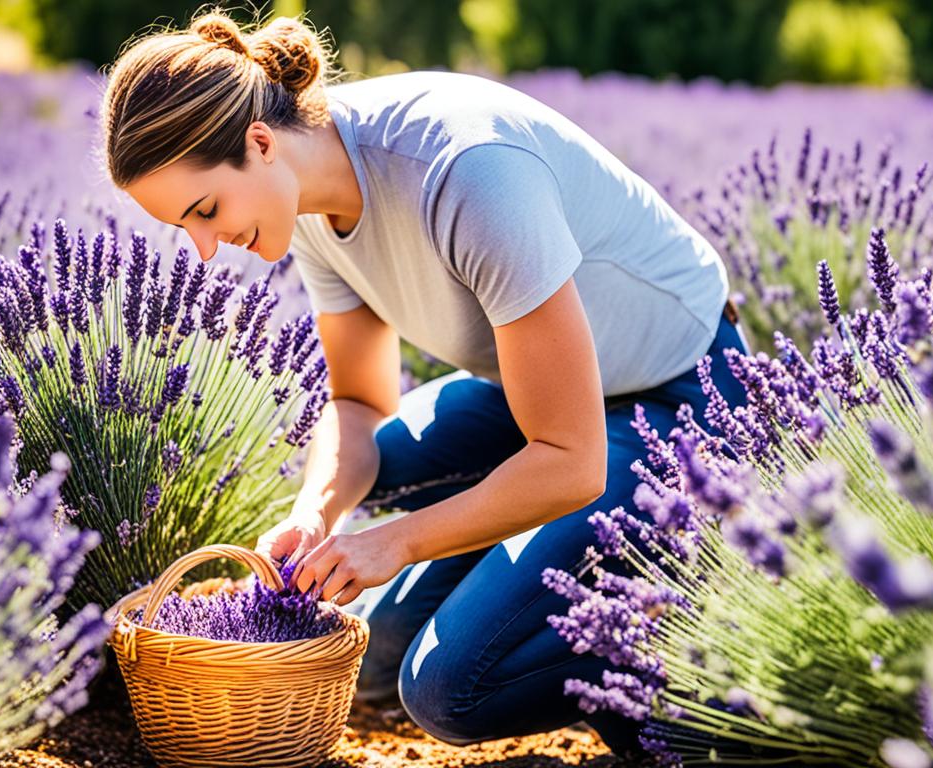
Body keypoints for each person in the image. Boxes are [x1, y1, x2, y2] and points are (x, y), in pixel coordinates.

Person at [101, 8, 750, 757]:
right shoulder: (306, 194)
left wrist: (396, 543)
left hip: (686, 401)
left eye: (206, 211)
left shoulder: (468, 174)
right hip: (547, 396)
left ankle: (698, 672)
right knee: (377, 651)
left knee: (448, 689)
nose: (207, 250)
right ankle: (535, 570)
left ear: (259, 142)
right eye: (185, 228)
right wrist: (315, 514)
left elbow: (571, 461)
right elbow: (359, 403)